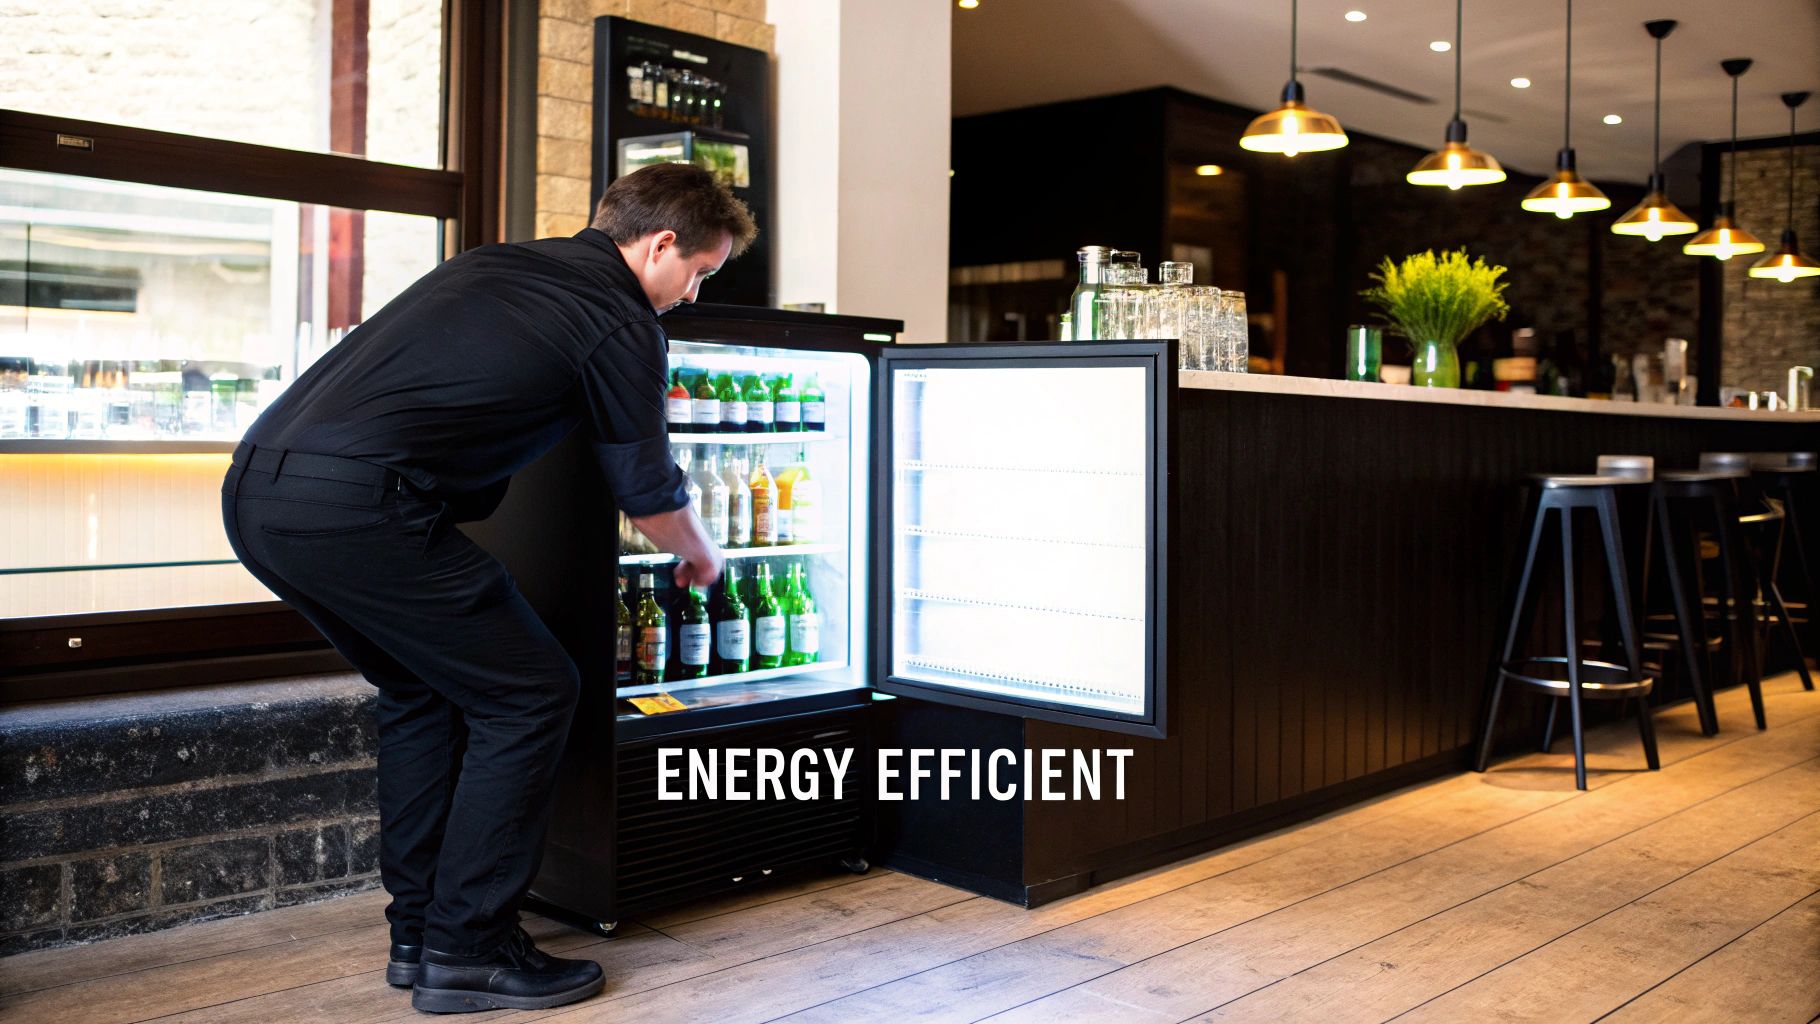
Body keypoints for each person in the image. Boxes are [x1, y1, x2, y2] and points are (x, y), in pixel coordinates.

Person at [220, 163, 754, 1013]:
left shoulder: (496, 264)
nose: (691, 295)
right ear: (659, 245)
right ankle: (470, 949)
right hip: (361, 506)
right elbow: (648, 491)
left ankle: (421, 933)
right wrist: (703, 554)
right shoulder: (619, 319)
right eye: (698, 273)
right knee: (533, 693)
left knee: (422, 690)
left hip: (259, 490)